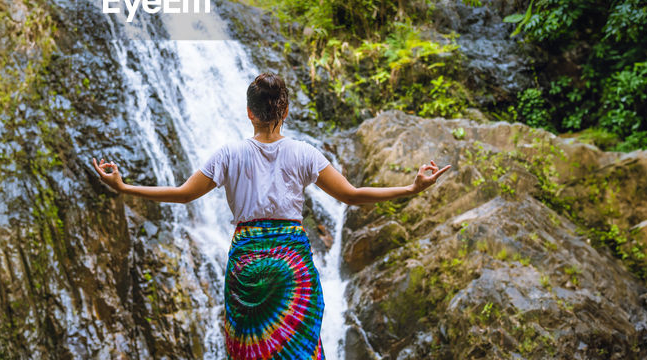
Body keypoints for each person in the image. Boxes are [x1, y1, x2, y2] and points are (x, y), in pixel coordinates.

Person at [92, 72, 451, 360]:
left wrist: (124, 188)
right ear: (286, 111)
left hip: (246, 263)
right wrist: (410, 188)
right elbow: (352, 196)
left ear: (249, 112)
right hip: (291, 266)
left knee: (251, 349)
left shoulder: (228, 154)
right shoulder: (303, 153)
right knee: (297, 348)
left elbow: (184, 194)